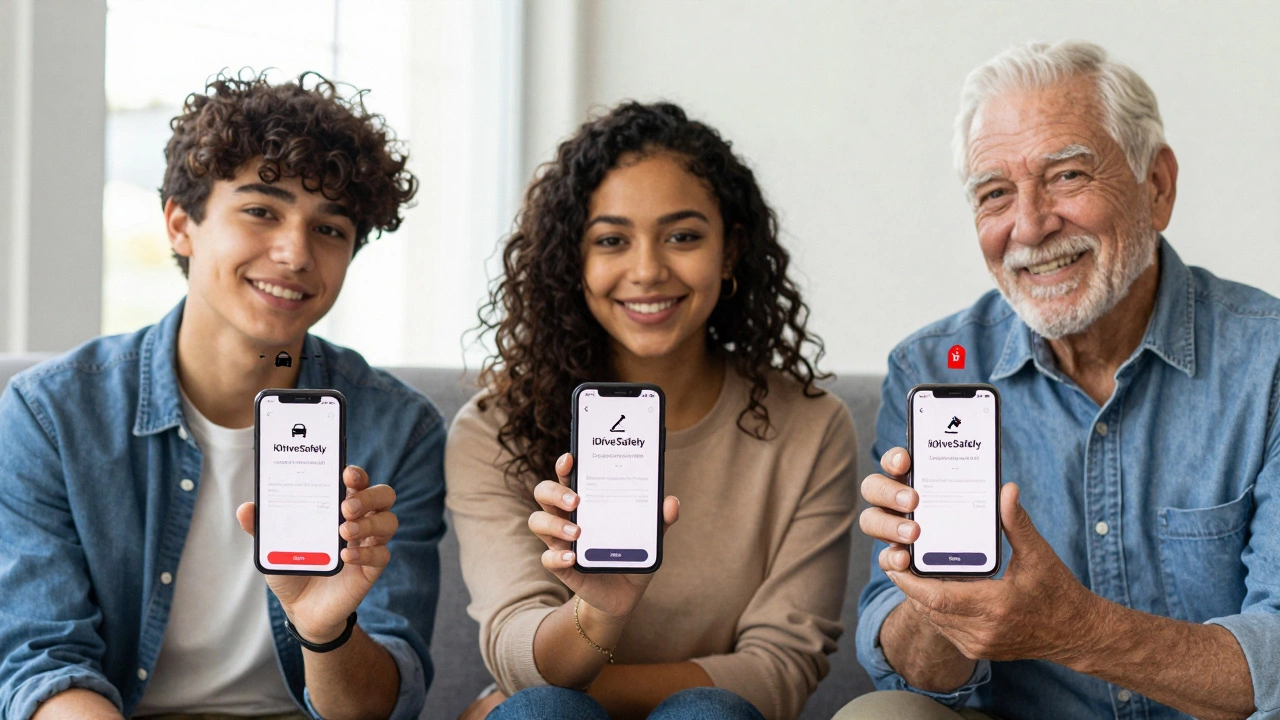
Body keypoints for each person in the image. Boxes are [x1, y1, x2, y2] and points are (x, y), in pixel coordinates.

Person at [842, 40, 1278, 720]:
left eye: (1068, 176)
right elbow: (908, 671)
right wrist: (936, 600)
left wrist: (1075, 628)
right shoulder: (929, 370)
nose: (1030, 224)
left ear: (1156, 186)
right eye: (995, 194)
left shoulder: (1269, 361)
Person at [0, 72, 445, 720]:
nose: (295, 253)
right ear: (181, 225)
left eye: (330, 230)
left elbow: (381, 708)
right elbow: (43, 666)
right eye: (262, 211)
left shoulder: (398, 430)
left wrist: (325, 628)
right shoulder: (51, 417)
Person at [445, 101, 857, 720]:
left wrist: (515, 701)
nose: (647, 270)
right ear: (571, 259)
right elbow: (516, 649)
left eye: (682, 236)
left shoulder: (811, 426)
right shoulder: (492, 428)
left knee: (708, 714)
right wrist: (599, 613)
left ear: (729, 250)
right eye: (611, 240)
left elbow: (777, 671)